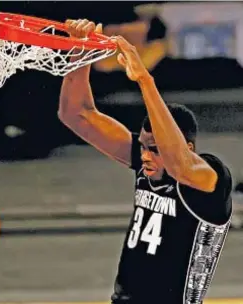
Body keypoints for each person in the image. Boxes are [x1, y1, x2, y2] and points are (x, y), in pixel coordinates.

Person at [59, 19, 232, 304]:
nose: (144, 156)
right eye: (143, 147)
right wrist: (81, 53)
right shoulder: (147, 163)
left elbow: (179, 165)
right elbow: (75, 114)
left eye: (154, 149)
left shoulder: (211, 178)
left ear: (189, 147)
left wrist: (145, 80)